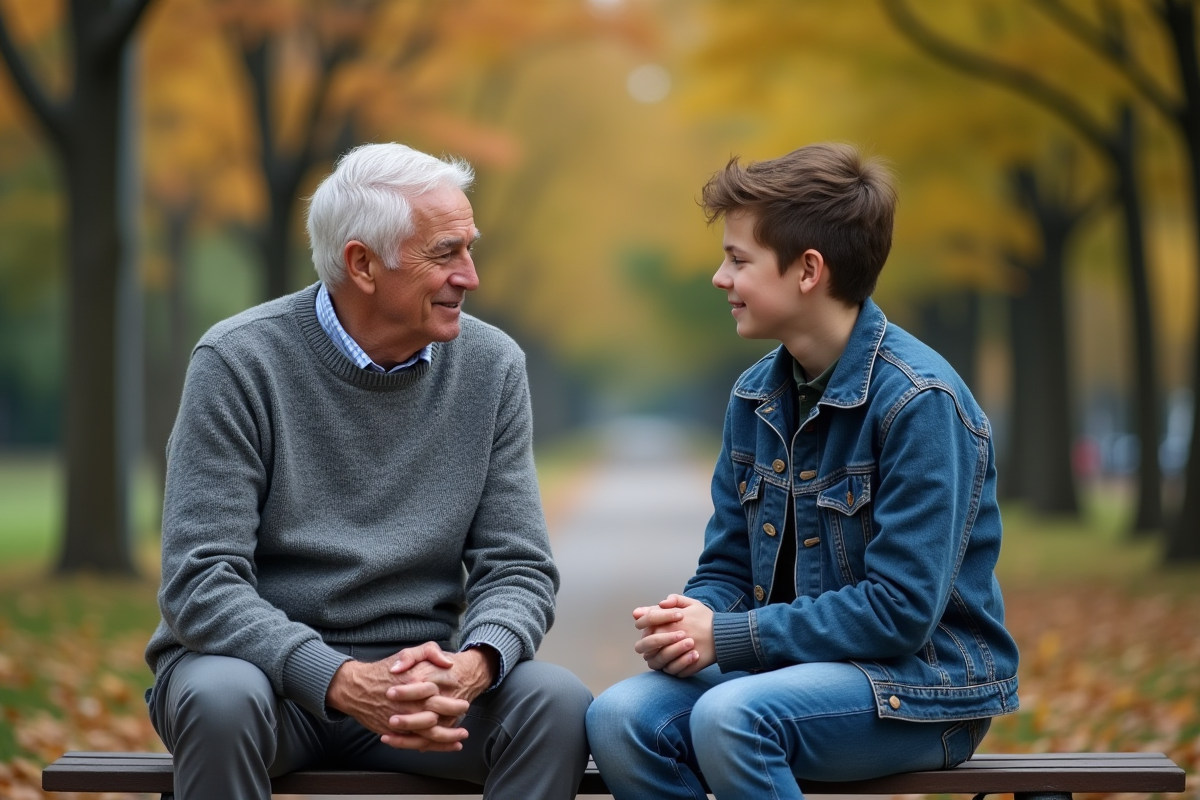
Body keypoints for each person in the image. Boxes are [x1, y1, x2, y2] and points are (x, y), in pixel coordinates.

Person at [144, 142, 592, 800]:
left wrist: (473, 665)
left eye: (470, 248)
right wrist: (338, 678)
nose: (469, 276)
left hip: (419, 686)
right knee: (220, 700)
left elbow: (518, 567)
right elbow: (199, 580)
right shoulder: (239, 360)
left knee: (554, 703)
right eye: (445, 253)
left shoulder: (492, 366)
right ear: (362, 264)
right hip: (257, 677)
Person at [586, 143, 1020, 800]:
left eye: (738, 260)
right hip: (785, 673)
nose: (719, 278)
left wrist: (728, 637)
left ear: (808, 270)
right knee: (619, 719)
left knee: (733, 718)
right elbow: (730, 566)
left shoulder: (919, 402)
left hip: (921, 689)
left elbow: (900, 612)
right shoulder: (754, 397)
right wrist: (693, 617)